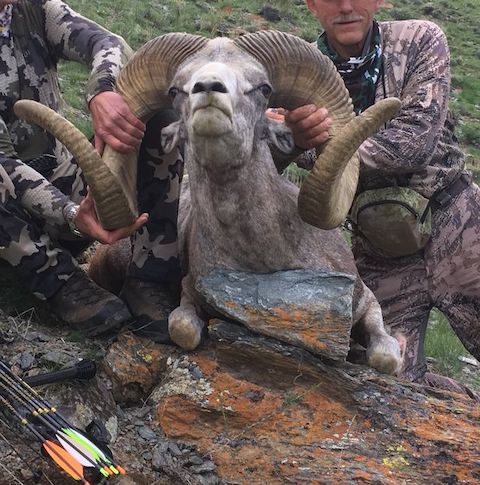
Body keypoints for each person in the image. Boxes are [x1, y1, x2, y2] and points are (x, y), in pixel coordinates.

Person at [280, 0, 480, 396]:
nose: (346, 6)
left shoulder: (420, 39)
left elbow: (413, 142)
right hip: (379, 249)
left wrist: (314, 147)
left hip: (454, 226)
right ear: (311, 5)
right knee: (392, 381)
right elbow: (270, 150)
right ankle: (465, 408)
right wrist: (290, 139)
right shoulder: (294, 70)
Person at [0, 0, 183, 340]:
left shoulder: (34, 10)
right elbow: (4, 161)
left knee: (157, 119)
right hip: (9, 222)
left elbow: (109, 43)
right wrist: (70, 212)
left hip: (61, 180)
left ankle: (151, 276)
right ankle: (62, 283)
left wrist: (102, 91)